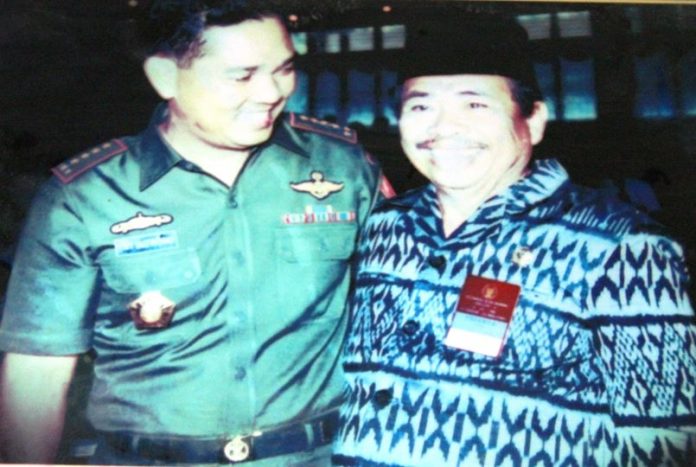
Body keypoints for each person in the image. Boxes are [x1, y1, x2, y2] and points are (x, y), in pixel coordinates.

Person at [0, 1, 391, 465]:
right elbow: (37, 373)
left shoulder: (343, 168)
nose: (271, 92)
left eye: (284, 69)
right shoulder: (85, 196)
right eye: (242, 76)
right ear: (165, 77)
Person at [333, 13, 696, 466]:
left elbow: (665, 441)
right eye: (421, 107)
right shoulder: (385, 225)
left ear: (534, 120)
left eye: (475, 105)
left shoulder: (622, 246)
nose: (444, 128)